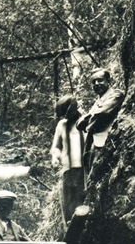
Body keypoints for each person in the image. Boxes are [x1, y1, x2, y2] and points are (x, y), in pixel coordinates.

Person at [77, 68, 124, 174]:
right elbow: (80, 124)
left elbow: (101, 114)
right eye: (94, 82)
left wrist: (87, 120)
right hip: (92, 144)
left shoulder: (116, 95)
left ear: (109, 81)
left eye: (100, 80)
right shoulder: (98, 100)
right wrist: (88, 118)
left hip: (106, 144)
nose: (97, 84)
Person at [51, 96, 84, 226]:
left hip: (85, 170)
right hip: (68, 171)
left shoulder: (86, 121)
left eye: (67, 113)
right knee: (69, 202)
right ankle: (71, 229)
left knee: (84, 200)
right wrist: (55, 157)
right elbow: (56, 147)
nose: (65, 117)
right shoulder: (62, 125)